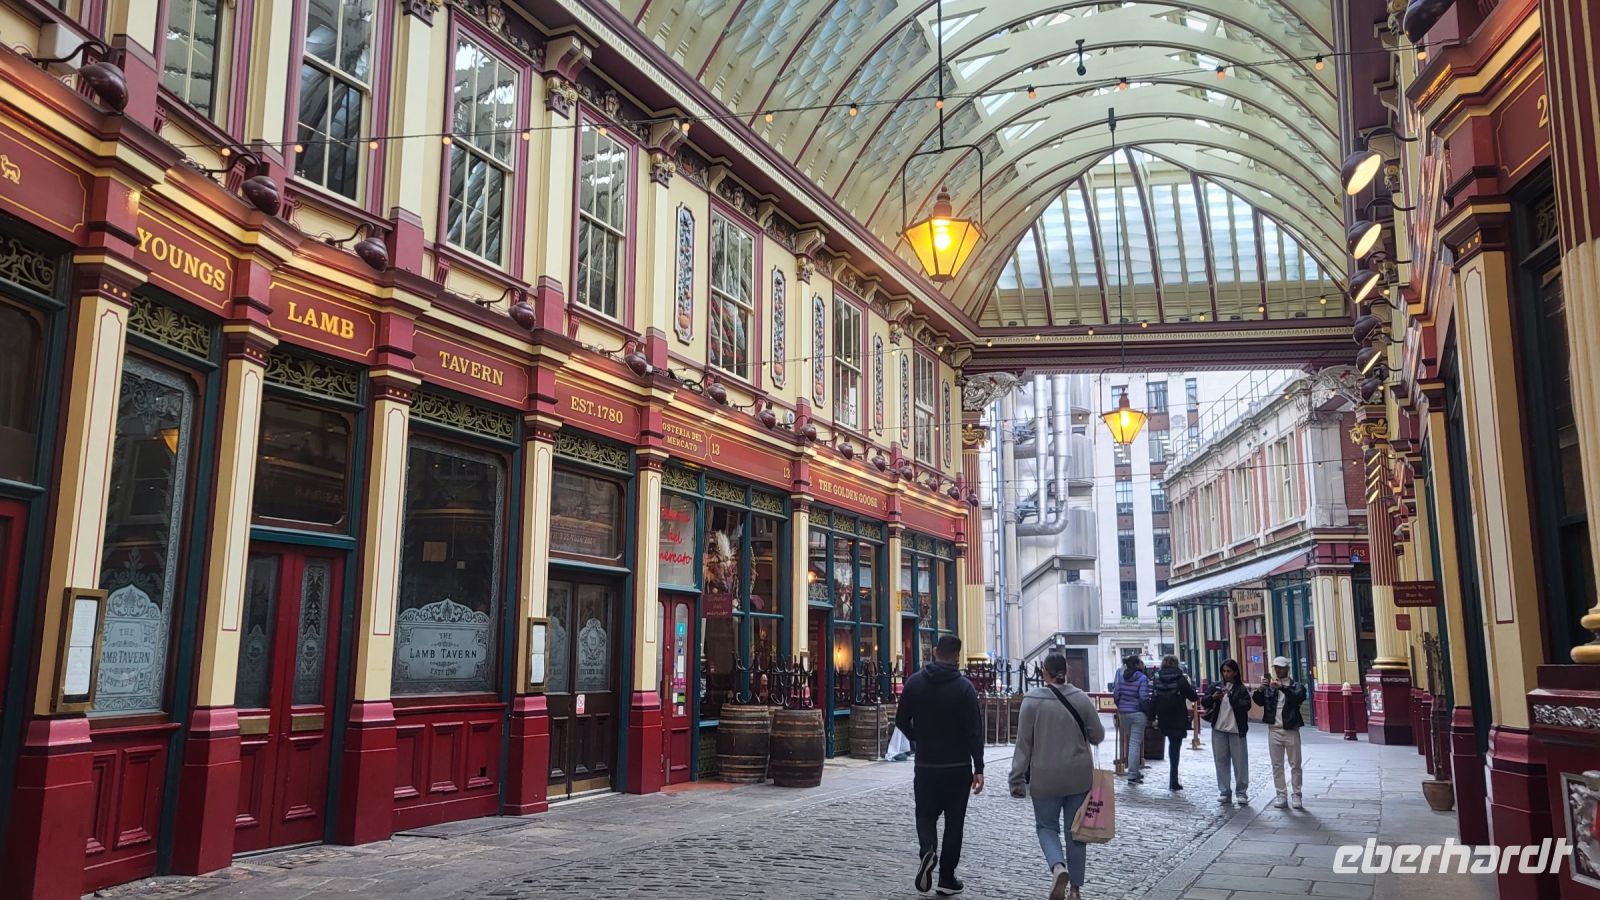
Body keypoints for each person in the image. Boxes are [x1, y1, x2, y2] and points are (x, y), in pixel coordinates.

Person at [1010, 651, 1105, 900]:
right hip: (1077, 777)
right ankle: (1075, 889)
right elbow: (1098, 735)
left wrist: (1017, 778)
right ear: (1067, 671)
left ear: (1044, 672)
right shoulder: (1081, 698)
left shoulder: (1031, 701)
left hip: (1045, 777)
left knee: (1046, 827)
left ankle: (1057, 866)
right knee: (1076, 832)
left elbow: (1024, 745)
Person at [896, 634, 984, 896]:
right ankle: (947, 877)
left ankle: (927, 851)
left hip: (926, 765)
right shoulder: (965, 689)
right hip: (957, 767)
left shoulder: (914, 684)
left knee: (925, 814)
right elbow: (974, 732)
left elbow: (901, 721)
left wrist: (918, 737)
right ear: (957, 656)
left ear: (935, 652)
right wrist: (978, 767)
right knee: (954, 822)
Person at [1254, 655, 1307, 808]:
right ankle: (1281, 794)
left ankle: (1296, 794)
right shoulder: (1270, 687)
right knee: (1276, 764)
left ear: (1287, 669)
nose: (1278, 671)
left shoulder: (1295, 685)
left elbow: (1297, 698)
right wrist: (1261, 688)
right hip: (1274, 730)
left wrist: (1282, 687)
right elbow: (1258, 702)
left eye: (1281, 668)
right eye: (1276, 668)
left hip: (1291, 729)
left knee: (1295, 764)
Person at [1200, 658, 1254, 804]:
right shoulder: (1216, 686)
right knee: (1221, 760)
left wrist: (1231, 697)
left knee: (1240, 762)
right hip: (1219, 729)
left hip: (1236, 730)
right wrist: (1213, 697)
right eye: (1224, 671)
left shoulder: (1240, 689)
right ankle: (1224, 790)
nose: (1226, 674)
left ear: (1235, 672)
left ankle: (1241, 792)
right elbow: (1204, 702)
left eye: (1229, 671)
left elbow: (1246, 706)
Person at [1149, 656, 1198, 791]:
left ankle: (1173, 779)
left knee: (1172, 746)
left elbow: (1153, 698)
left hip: (1163, 716)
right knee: (1175, 748)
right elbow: (1193, 696)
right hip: (1178, 716)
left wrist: (1152, 717)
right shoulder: (1180, 679)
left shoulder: (1157, 678)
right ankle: (1173, 780)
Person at [1112, 655, 1152, 783]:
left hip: (1124, 714)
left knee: (1132, 742)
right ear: (1136, 665)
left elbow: (1116, 694)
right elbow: (1143, 698)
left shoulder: (1120, 677)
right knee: (1135, 743)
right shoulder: (1142, 678)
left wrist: (1121, 706)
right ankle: (1133, 774)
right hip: (1138, 713)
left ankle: (1134, 770)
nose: (1143, 664)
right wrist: (1148, 713)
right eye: (1141, 662)